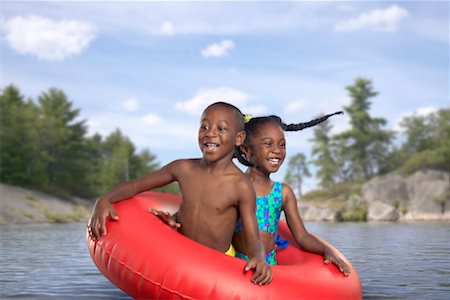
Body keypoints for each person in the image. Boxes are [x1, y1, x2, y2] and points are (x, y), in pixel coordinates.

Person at [88, 102, 272, 285]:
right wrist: (104, 199)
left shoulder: (241, 185)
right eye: (204, 127)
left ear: (238, 138)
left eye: (221, 128)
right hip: (179, 251)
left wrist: (259, 258)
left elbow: (252, 236)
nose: (210, 133)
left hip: (218, 262)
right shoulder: (183, 168)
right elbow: (136, 185)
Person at [232, 112, 351, 276]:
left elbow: (302, 236)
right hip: (234, 268)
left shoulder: (283, 192)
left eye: (282, 145)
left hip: (270, 269)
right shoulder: (234, 186)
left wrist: (327, 250)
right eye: (268, 144)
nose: (277, 151)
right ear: (246, 149)